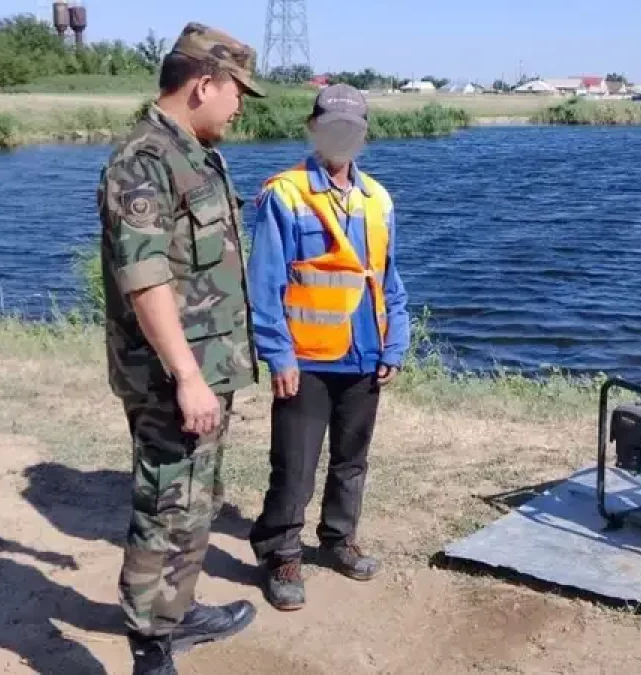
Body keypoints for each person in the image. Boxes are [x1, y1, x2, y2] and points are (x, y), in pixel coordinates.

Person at [97, 21, 265, 675]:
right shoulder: (142, 160)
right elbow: (146, 281)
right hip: (173, 373)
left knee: (198, 494)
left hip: (202, 365)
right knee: (168, 500)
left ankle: (179, 606)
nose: (240, 105)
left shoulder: (192, 152)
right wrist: (188, 375)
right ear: (203, 84)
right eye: (236, 92)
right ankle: (150, 645)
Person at [246, 83, 411, 611]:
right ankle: (281, 552)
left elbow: (387, 279)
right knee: (294, 463)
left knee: (351, 460)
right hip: (307, 358)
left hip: (365, 353)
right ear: (313, 128)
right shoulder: (286, 194)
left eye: (353, 128)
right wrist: (279, 354)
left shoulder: (379, 198)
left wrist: (395, 344)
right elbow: (264, 282)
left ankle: (338, 538)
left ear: (363, 134)